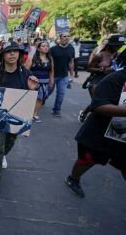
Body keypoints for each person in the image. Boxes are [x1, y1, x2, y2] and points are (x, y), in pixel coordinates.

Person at [0, 41, 39, 208]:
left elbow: (29, 101)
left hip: (14, 120)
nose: (12, 54)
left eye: (15, 51)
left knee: (9, 143)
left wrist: (31, 89)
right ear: (3, 56)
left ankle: (3, 154)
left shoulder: (26, 74)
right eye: (9, 52)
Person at [65, 66, 126, 198]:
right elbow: (98, 105)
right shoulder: (116, 78)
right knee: (87, 160)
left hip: (123, 140)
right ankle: (73, 179)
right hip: (100, 133)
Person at [78, 35, 124, 122]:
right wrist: (102, 69)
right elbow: (88, 68)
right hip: (96, 81)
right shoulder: (99, 55)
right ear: (111, 44)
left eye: (121, 45)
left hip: (110, 82)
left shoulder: (119, 56)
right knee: (97, 103)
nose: (119, 47)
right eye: (117, 45)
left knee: (108, 103)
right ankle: (85, 114)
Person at [47, 32, 75, 117]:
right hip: (52, 75)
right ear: (60, 38)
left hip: (64, 76)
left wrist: (71, 74)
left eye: (68, 36)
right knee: (47, 92)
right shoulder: (53, 49)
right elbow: (48, 62)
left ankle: (57, 110)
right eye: (64, 36)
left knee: (61, 93)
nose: (66, 38)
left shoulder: (71, 49)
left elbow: (71, 62)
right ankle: (40, 100)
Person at [25, 41, 54, 122]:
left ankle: (34, 115)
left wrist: (51, 82)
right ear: (38, 48)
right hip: (33, 82)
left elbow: (51, 71)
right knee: (32, 98)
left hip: (45, 82)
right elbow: (26, 71)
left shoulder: (50, 59)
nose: (45, 47)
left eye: (47, 46)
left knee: (40, 99)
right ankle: (28, 114)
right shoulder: (32, 58)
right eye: (43, 46)